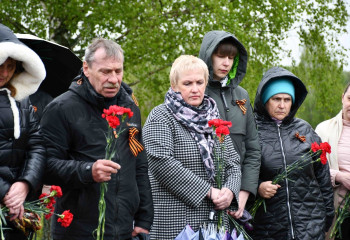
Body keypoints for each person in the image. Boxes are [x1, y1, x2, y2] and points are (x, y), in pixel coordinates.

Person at [40, 38, 153, 240]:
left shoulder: (130, 108)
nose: (113, 79)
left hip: (125, 231)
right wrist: (87, 171)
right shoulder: (61, 109)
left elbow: (139, 164)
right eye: (105, 72)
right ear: (86, 68)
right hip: (78, 231)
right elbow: (45, 166)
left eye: (118, 71)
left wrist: (144, 219)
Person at [142, 55, 241, 239]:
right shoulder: (161, 116)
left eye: (199, 82)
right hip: (176, 225)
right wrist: (208, 191)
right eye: (187, 83)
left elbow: (233, 163)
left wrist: (229, 192)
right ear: (174, 85)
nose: (195, 89)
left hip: (215, 225)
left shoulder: (214, 118)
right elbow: (161, 164)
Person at [251, 66, 334, 240]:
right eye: (276, 99)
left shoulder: (305, 130)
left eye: (287, 99)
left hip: (310, 227)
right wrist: (258, 187)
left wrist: (327, 218)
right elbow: (239, 172)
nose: (282, 105)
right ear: (265, 100)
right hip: (268, 229)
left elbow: (322, 176)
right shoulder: (251, 129)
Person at [199, 30, 261, 217]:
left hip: (236, 202)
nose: (226, 63)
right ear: (208, 55)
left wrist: (241, 194)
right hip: (202, 198)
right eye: (220, 56)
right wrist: (211, 193)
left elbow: (253, 149)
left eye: (231, 57)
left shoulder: (242, 95)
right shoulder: (195, 92)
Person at [0, 23, 46, 239]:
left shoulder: (23, 101)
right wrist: (6, 193)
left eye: (11, 67)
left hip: (17, 208)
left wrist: (25, 184)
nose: (5, 73)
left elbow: (37, 145)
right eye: (1, 65)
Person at [315, 78, 350, 240]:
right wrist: (339, 176)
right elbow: (312, 170)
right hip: (336, 212)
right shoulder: (323, 129)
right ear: (343, 98)